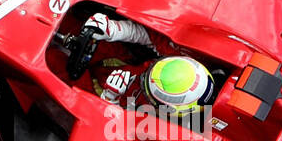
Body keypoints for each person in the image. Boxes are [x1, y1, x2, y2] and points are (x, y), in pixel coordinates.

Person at [81, 11, 216, 116]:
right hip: (120, 62)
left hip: (103, 94)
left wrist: (110, 99)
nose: (146, 76)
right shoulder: (186, 61)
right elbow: (152, 37)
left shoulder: (166, 127)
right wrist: (114, 29)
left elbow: (118, 130)